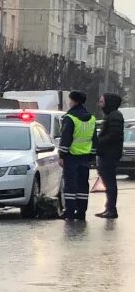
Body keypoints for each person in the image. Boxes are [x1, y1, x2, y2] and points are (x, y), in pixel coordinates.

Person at [59, 90, 98, 221]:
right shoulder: (92, 118)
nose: (69, 102)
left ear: (74, 101)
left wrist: (62, 155)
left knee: (70, 185)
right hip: (85, 157)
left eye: (70, 100)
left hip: (71, 156)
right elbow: (94, 138)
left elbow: (66, 138)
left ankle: (69, 212)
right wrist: (92, 155)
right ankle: (81, 212)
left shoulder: (70, 118)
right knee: (83, 185)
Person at [95, 93, 124, 219]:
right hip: (106, 153)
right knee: (108, 182)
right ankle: (109, 208)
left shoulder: (115, 116)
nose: (100, 104)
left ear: (109, 102)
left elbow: (114, 134)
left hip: (109, 154)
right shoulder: (111, 115)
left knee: (110, 183)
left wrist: (99, 141)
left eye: (102, 101)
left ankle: (111, 210)